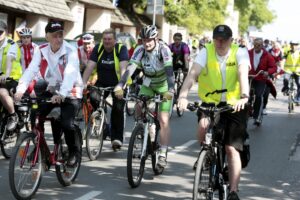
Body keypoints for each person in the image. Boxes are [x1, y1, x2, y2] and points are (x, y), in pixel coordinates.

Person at [177, 25, 250, 200]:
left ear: (231, 40)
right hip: (211, 102)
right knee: (203, 127)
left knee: (231, 148)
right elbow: (193, 74)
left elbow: (242, 74)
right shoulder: (206, 51)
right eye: (217, 38)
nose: (220, 42)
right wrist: (182, 96)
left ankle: (233, 191)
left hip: (235, 104)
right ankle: (207, 154)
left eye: (224, 39)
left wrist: (244, 96)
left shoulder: (239, 51)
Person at [14, 21, 83, 166]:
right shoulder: (42, 50)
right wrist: (20, 91)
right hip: (52, 90)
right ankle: (39, 147)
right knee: (35, 112)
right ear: (47, 37)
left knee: (67, 122)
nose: (59, 38)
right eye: (55, 35)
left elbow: (70, 74)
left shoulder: (70, 50)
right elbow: (31, 71)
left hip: (71, 91)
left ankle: (73, 152)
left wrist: (62, 94)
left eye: (61, 35)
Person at [114, 25, 174, 168]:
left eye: (149, 40)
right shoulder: (140, 49)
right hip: (148, 84)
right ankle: (141, 131)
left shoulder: (164, 50)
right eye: (144, 40)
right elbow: (131, 68)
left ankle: (163, 154)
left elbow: (169, 71)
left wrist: (171, 89)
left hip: (164, 86)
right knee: (138, 106)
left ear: (156, 39)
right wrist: (120, 85)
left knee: (163, 119)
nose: (146, 43)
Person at [82, 28, 129, 150]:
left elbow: (124, 68)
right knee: (92, 97)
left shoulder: (121, 49)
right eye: (105, 39)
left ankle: (116, 138)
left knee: (118, 108)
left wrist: (121, 86)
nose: (107, 41)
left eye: (109, 39)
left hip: (118, 84)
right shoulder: (98, 48)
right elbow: (90, 66)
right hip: (102, 82)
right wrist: (82, 83)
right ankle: (101, 121)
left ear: (115, 40)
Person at [0, 21, 22, 131]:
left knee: (1, 92)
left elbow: (9, 60)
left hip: (12, 77)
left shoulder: (12, 44)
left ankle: (13, 115)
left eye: (0, 32)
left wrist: (6, 74)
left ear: (6, 32)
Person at [248, 38, 277, 122]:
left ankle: (256, 116)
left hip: (260, 78)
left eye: (259, 45)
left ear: (262, 45)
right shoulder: (248, 53)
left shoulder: (267, 55)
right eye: (255, 45)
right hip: (249, 77)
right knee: (245, 95)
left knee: (258, 95)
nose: (257, 46)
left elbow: (274, 67)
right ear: (253, 44)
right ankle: (245, 111)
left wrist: (267, 72)